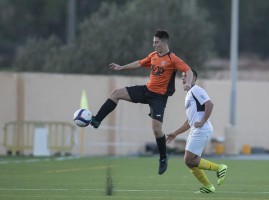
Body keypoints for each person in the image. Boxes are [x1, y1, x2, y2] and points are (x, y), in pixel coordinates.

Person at [90, 29, 193, 175]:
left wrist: (188, 84)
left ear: (164, 42)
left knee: (157, 130)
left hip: (159, 98)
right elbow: (139, 63)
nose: (154, 45)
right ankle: (97, 120)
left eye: (156, 42)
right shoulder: (153, 56)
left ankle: (163, 157)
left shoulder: (173, 59)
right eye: (153, 42)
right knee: (116, 93)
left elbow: (188, 70)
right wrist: (122, 67)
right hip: (146, 91)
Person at [166, 69, 228, 193]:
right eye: (182, 76)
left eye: (186, 76)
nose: (183, 78)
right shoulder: (189, 94)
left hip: (202, 129)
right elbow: (190, 121)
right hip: (196, 130)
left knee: (188, 159)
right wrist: (176, 133)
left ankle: (219, 168)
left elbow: (209, 104)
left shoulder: (196, 90)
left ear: (193, 79)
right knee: (190, 162)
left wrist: (203, 121)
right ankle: (208, 187)